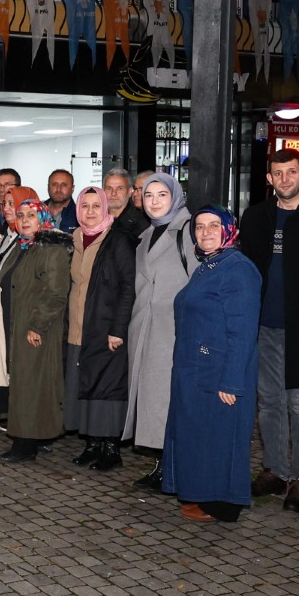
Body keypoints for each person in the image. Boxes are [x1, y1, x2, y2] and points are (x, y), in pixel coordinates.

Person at [240, 148, 299, 512]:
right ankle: (275, 470)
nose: (284, 180)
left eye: (291, 173)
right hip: (264, 326)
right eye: (278, 174)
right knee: (270, 403)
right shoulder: (256, 217)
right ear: (269, 179)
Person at [162, 208, 262, 522]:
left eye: (214, 226)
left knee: (221, 437)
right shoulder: (211, 265)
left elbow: (243, 329)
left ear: (229, 229)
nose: (205, 232)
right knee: (203, 436)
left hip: (218, 369)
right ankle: (205, 495)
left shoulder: (238, 269)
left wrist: (232, 381)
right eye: (200, 226)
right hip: (199, 366)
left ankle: (223, 504)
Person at [124, 174, 196, 487]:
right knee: (154, 401)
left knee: (170, 401)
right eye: (148, 194)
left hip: (173, 331)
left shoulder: (190, 231)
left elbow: (198, 283)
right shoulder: (147, 235)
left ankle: (175, 468)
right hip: (146, 328)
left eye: (161, 194)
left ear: (175, 196)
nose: (154, 201)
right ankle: (163, 464)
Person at [0, 193, 71, 461]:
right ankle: (30, 437)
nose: (25, 220)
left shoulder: (51, 249)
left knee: (31, 385)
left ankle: (25, 445)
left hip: (38, 328)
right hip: (18, 324)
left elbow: (56, 293)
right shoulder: (22, 246)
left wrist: (37, 326)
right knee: (24, 383)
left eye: (31, 215)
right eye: (20, 216)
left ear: (42, 218)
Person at [67, 187, 134, 470]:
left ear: (105, 208)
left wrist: (118, 329)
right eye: (85, 206)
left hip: (107, 328)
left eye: (97, 206)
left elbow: (129, 287)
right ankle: (92, 443)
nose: (91, 212)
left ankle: (110, 448)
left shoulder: (117, 240)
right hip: (79, 327)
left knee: (106, 387)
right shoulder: (76, 238)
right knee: (85, 385)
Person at [0, 186, 37, 428]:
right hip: (2, 311)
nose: (8, 209)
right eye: (4, 204)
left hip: (23, 317)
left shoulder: (33, 240)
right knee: (4, 366)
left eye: (12, 204)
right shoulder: (7, 236)